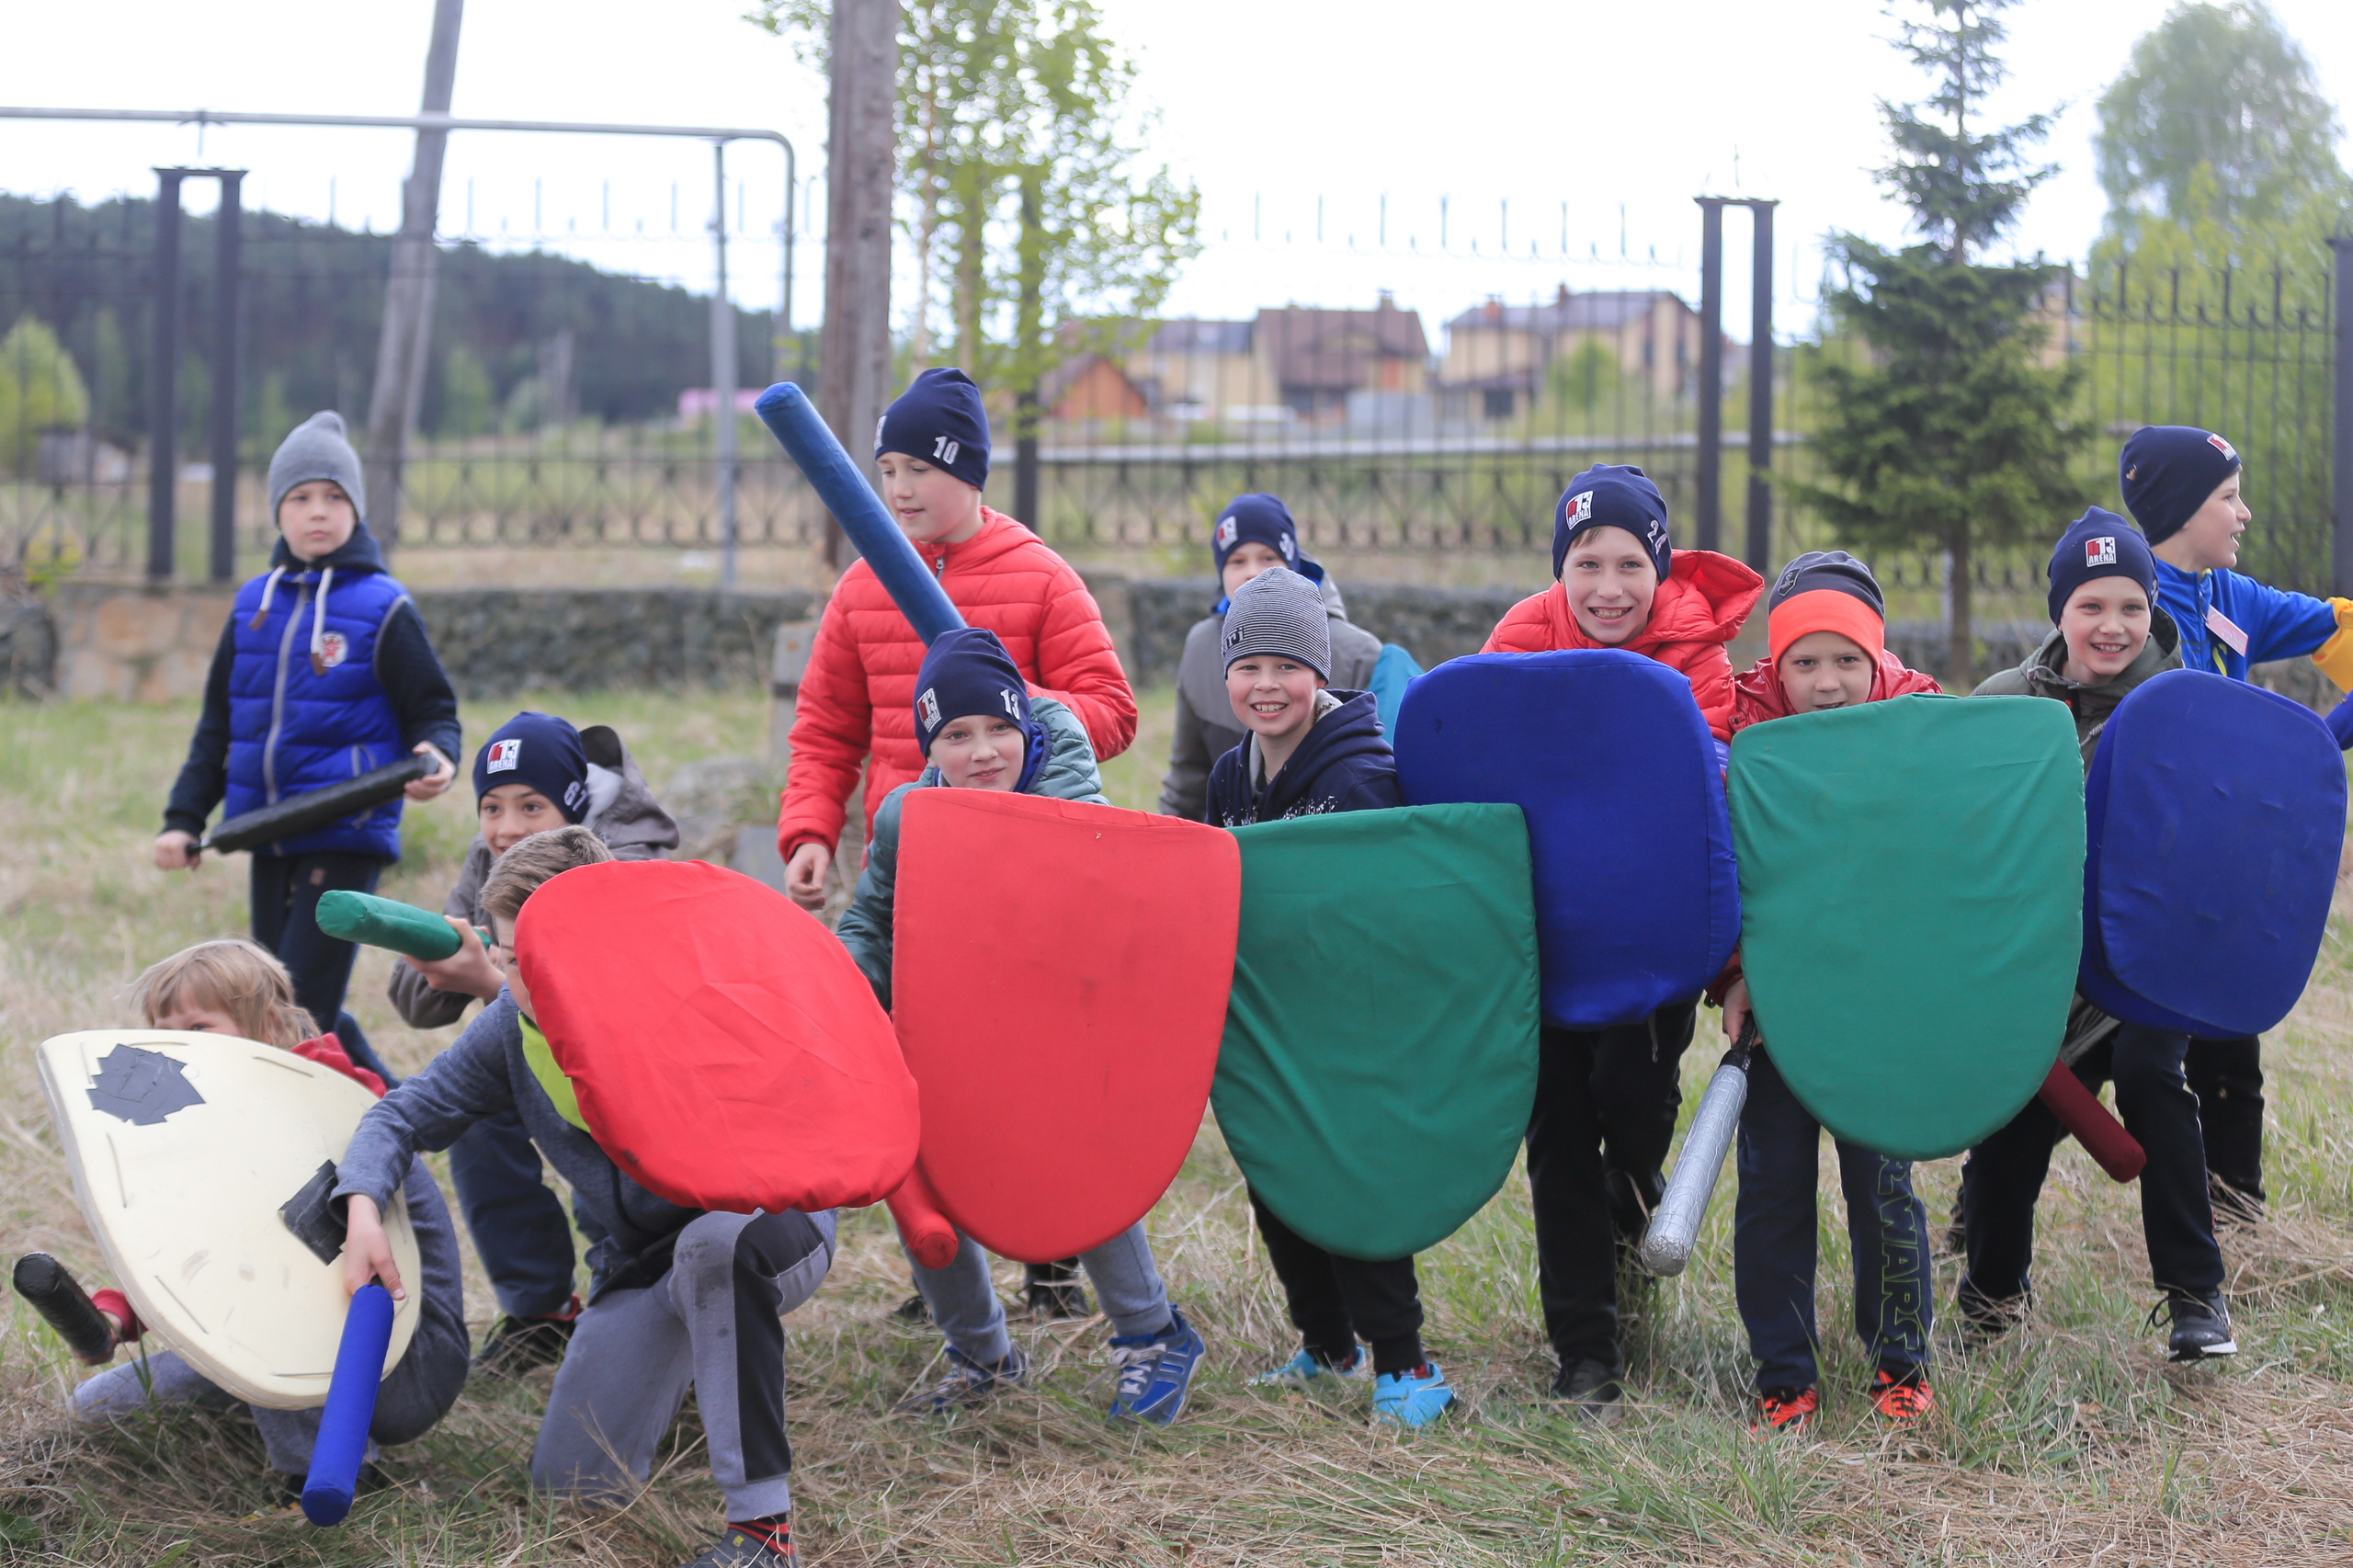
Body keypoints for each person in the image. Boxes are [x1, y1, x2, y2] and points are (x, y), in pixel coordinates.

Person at [335, 826, 834, 1566]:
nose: (522, 978)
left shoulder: (689, 990)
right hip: (638, 1264)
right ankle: (695, 1378)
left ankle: (764, 1532)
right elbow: (399, 1114)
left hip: (767, 1229)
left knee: (709, 1251)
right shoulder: (511, 1023)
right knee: (569, 1488)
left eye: (540, 953)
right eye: (508, 956)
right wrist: (362, 1207)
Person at [777, 368, 1132, 1316]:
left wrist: (1015, 718)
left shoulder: (1040, 576)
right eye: (885, 468)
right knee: (924, 1067)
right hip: (911, 870)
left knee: (1025, 1067)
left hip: (1022, 872)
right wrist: (812, 828)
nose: (897, 489)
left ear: (967, 471)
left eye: (917, 468)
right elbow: (824, 728)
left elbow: (1112, 708)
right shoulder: (861, 588)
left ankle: (1052, 1252)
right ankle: (945, 1256)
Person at [834, 627, 1208, 1426]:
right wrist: (846, 984)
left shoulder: (1069, 809)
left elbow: (1116, 911)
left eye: (999, 728)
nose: (982, 750)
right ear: (931, 744)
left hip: (1062, 1032)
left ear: (1027, 728)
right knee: (929, 1170)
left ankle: (1153, 1335)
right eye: (956, 735)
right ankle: (981, 1355)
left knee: (1082, 1172)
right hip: (949, 1034)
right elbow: (873, 918)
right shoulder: (909, 815)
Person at [1481, 464, 1763, 1420]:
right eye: (1585, 561)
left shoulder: (1697, 655)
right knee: (1557, 1127)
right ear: (1559, 566)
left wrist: (1727, 967)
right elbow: (1477, 781)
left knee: (1635, 1106)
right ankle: (1584, 1349)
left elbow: (1708, 815)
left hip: (1651, 935)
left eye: (1628, 562)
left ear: (1659, 562)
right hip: (1544, 935)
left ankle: (1623, 1232)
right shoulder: (1519, 637)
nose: (1606, 585)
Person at [1962, 509, 2236, 1363]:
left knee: (2157, 1080)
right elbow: (1960, 822)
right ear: (2059, 613)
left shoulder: (2182, 704)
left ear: (2151, 609)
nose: (2111, 626)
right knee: (2012, 1122)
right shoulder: (2006, 705)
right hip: (2043, 968)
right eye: (2090, 607)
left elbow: (2220, 829)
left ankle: (2196, 1298)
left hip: (2145, 964)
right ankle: (1993, 1290)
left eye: (2129, 606)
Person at [66, 939, 468, 1510]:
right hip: (291, 1346)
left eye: (199, 1028)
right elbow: (183, 1253)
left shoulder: (332, 1108)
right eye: (164, 1032)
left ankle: (327, 1472)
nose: (180, 1046)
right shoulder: (205, 1137)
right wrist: (119, 1312)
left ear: (268, 1026)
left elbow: (270, 1273)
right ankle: (274, 1416)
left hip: (403, 1362)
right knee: (97, 1406)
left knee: (267, 1311)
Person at [1200, 568, 1452, 1426]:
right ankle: (1326, 1343)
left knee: (1353, 1191)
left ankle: (1406, 1365)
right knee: (1279, 1184)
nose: (1267, 686)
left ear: (1319, 671)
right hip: (1271, 1025)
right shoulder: (1230, 780)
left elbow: (1384, 907)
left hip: (1354, 1028)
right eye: (1249, 666)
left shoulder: (1361, 776)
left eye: (1287, 667)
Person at [154, 411, 460, 1087]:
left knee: (287, 1005)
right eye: (300, 498)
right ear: (277, 511)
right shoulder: (252, 606)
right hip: (268, 834)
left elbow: (434, 709)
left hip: (345, 828)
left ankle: (372, 1129)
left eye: (333, 497)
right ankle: (405, 1107)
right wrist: (182, 819)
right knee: (281, 1002)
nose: (317, 513)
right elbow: (217, 727)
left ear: (356, 508)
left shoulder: (384, 607)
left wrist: (437, 755)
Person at [1717, 553, 1941, 1432]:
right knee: (1773, 1186)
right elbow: (1724, 869)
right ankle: (1783, 1370)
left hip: (1880, 1005)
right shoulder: (1738, 735)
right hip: (1775, 1004)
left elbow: (1944, 864)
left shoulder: (1922, 725)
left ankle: (1902, 1360)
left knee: (1883, 1184)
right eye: (1804, 662)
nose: (1827, 683)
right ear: (1776, 665)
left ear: (1877, 660)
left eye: (1846, 659)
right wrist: (1736, 974)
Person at [386, 710, 680, 1374]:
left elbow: (607, 1017)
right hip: (527, 1051)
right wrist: (443, 956)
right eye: (491, 807)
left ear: (573, 804)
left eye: (530, 805)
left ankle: (641, 1294)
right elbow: (412, 1002)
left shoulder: (625, 861)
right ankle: (540, 1310)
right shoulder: (493, 857)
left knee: (610, 1184)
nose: (508, 827)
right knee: (476, 1116)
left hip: (628, 1082)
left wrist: (487, 975)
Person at [2120, 425, 2353, 1222]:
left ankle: (2235, 1208)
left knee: (2229, 1037)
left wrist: (2319, 742)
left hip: (2219, 872)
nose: (2244, 513)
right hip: (2137, 878)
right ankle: (1985, 1225)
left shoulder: (2234, 599)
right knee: (2098, 1059)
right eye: (2229, 498)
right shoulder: (2128, 605)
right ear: (2183, 510)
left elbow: (2344, 632)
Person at [1158, 494, 1381, 822]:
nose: (1252, 573)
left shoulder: (1356, 782)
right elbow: (1188, 775)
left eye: (1268, 558)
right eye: (1237, 561)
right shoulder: (1227, 778)